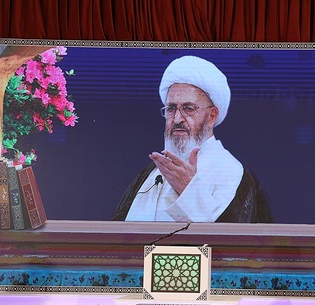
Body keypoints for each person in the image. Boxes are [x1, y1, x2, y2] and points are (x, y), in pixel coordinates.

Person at [112, 55, 272, 223]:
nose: (177, 118)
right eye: (171, 108)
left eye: (188, 108)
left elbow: (234, 236)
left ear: (211, 116)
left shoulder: (229, 172)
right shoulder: (152, 172)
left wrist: (190, 192)